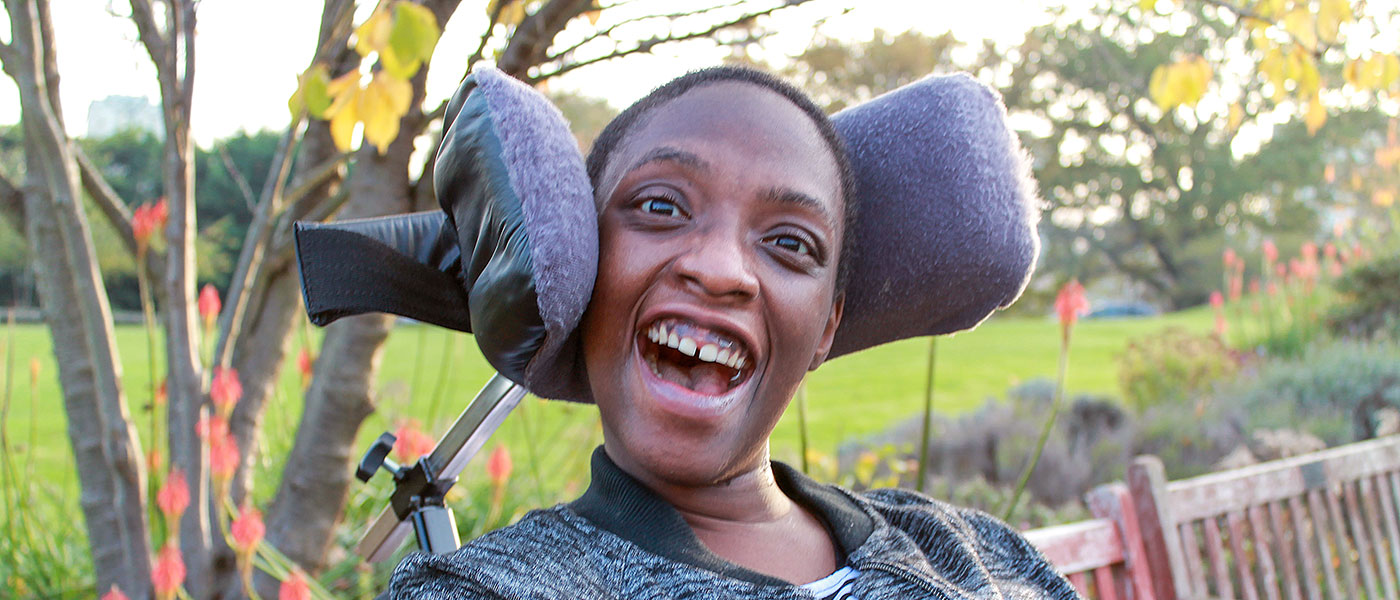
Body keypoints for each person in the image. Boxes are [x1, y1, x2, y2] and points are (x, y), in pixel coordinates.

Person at [387, 66, 1080, 599]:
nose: (722, 270)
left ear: (825, 327)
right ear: (585, 269)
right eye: (660, 206)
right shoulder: (490, 589)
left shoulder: (975, 550)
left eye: (790, 244)